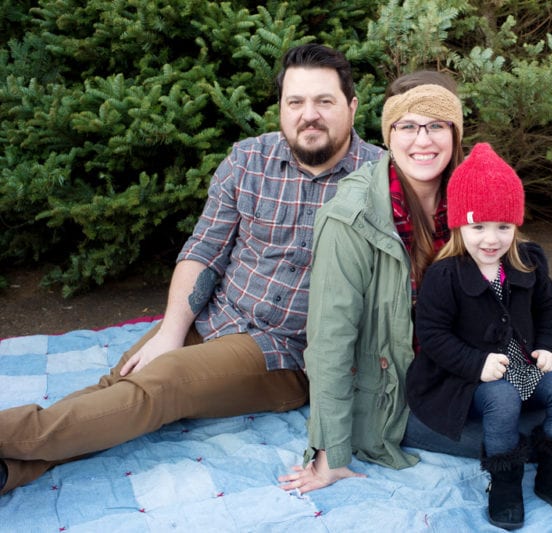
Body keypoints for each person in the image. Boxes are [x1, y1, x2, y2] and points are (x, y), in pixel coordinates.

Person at [0, 43, 383, 495]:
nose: (309, 115)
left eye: (325, 101)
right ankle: (11, 472)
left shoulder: (381, 180)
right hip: (215, 314)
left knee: (162, 383)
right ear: (280, 108)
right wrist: (170, 331)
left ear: (351, 107)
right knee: (123, 379)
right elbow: (203, 251)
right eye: (295, 101)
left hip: (283, 352)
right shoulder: (247, 160)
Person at [279, 71, 552, 494]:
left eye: (437, 125)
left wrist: (540, 341)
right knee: (518, 441)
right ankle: (525, 404)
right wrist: (329, 453)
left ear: (455, 132)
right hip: (407, 376)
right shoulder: (351, 216)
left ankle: (535, 390)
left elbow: (518, 274)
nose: (423, 140)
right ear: (389, 133)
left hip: (479, 341)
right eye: (407, 126)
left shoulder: (469, 185)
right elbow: (330, 337)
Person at [407, 143, 552, 529]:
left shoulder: (526, 261)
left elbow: (550, 308)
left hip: (520, 364)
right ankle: (505, 482)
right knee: (502, 398)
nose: (490, 239)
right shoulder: (445, 276)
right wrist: (477, 363)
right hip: (465, 377)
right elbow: (433, 335)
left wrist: (550, 347)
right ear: (460, 225)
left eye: (502, 227)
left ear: (516, 225)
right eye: (478, 227)